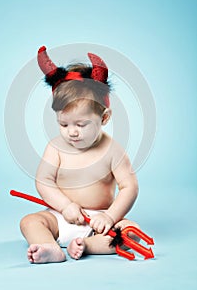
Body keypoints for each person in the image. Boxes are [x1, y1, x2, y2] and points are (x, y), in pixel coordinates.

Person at [20, 46, 139, 263]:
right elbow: (44, 181)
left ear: (104, 118)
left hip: (100, 220)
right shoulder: (56, 148)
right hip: (62, 215)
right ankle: (49, 248)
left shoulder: (112, 150)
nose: (72, 131)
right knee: (29, 222)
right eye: (63, 124)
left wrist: (109, 216)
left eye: (81, 124)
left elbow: (129, 187)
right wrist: (65, 206)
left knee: (130, 231)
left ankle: (88, 245)